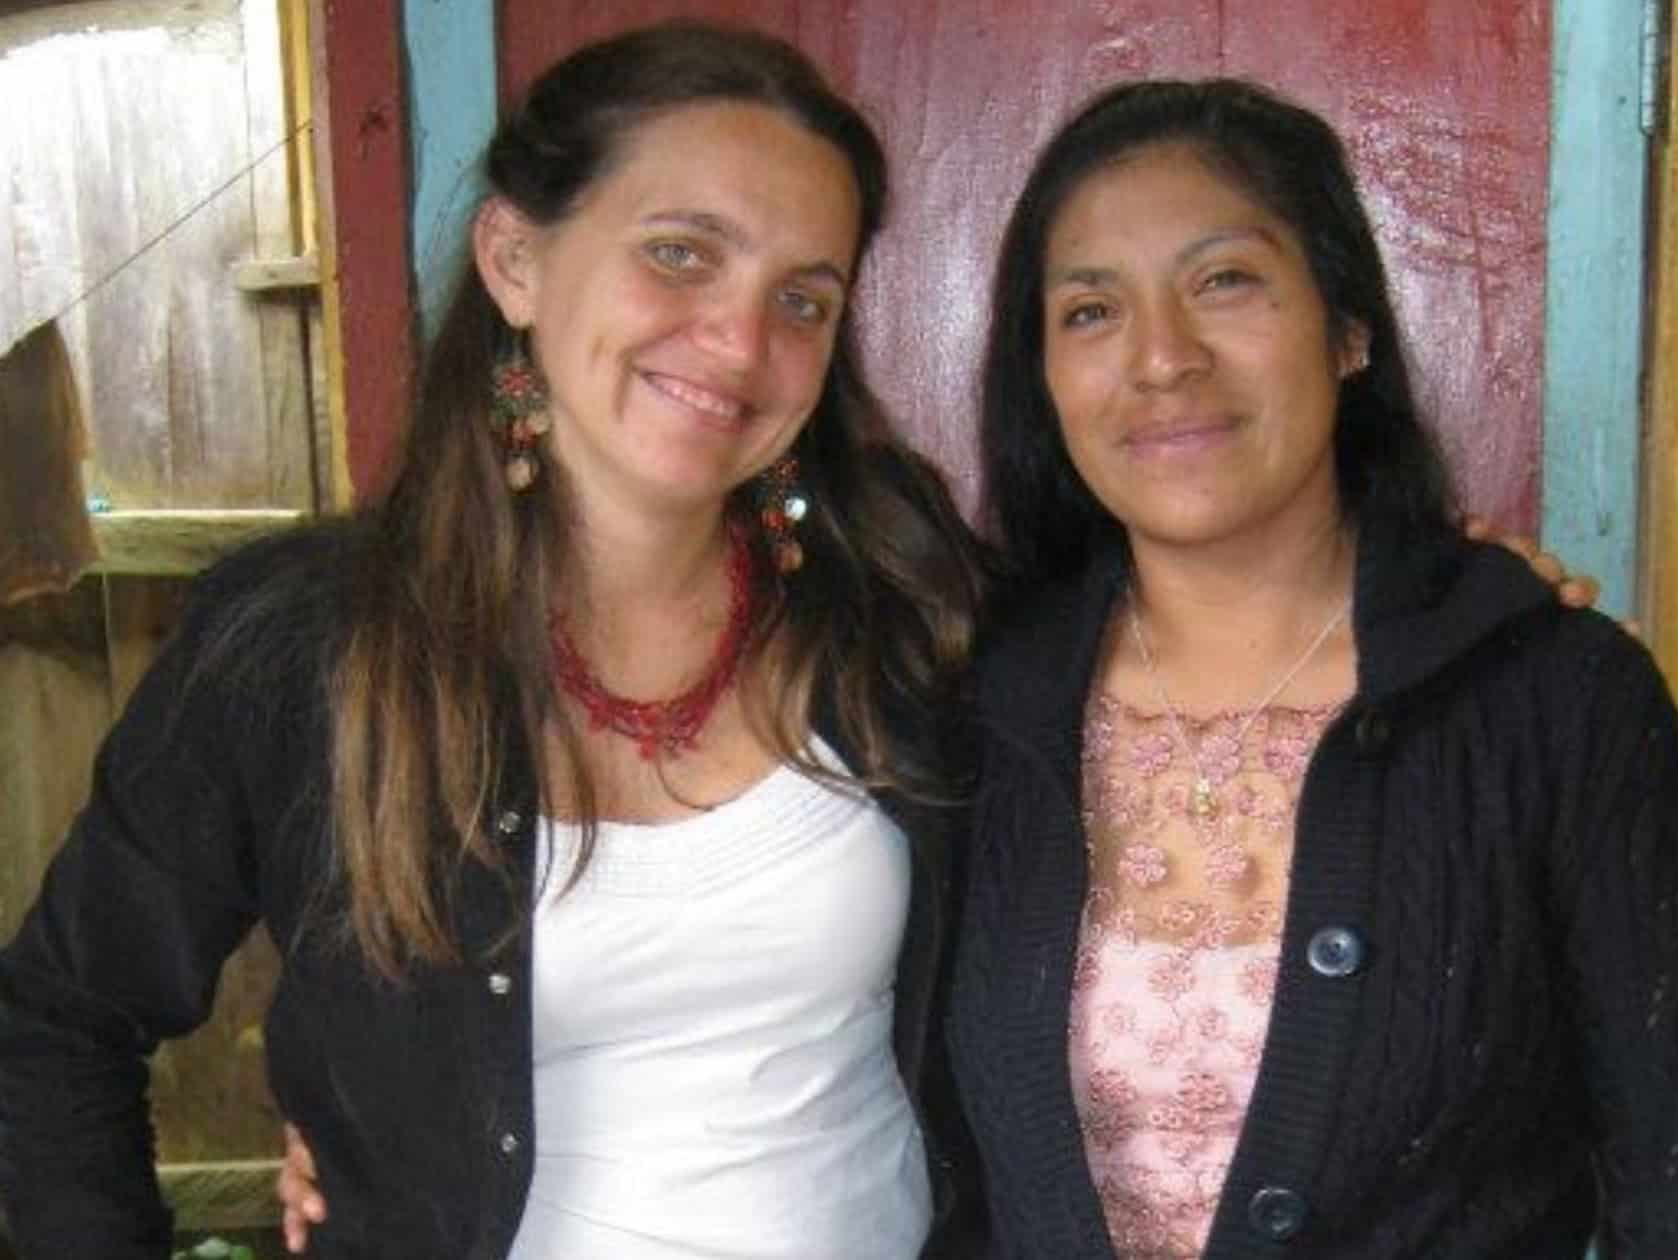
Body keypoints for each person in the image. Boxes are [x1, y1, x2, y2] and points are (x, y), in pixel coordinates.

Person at [0, 21, 988, 1259]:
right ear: (516, 260)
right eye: (679, 254)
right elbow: (56, 1020)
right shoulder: (306, 646)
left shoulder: (894, 599)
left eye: (803, 299)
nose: (742, 342)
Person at [944, 78, 1678, 1258]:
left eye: (1225, 281)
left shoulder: (1554, 698)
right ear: (1041, 375)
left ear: (1348, 330)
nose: (1161, 358)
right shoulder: (978, 708)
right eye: (1089, 311)